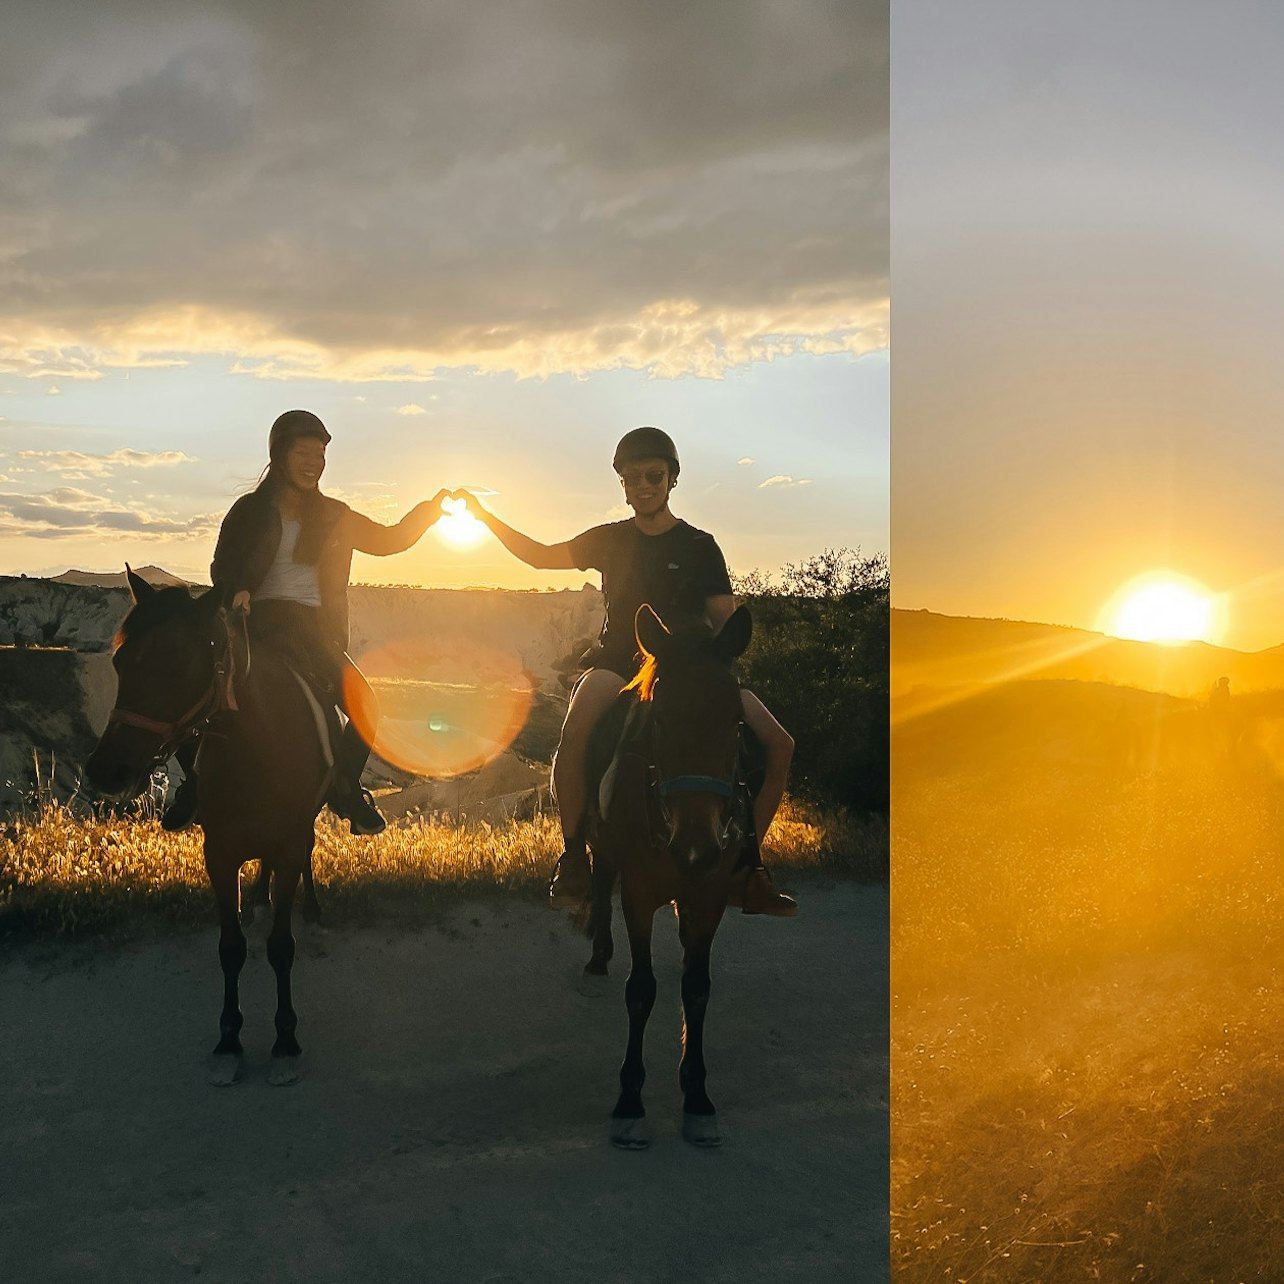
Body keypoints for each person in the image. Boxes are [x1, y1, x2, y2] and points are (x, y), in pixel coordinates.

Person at [455, 426, 797, 916]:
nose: (643, 485)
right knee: (573, 738)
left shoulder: (701, 546)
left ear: (672, 478)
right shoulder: (608, 540)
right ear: (622, 484)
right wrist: (484, 518)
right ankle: (574, 857)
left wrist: (721, 653)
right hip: (619, 666)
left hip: (689, 671)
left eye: (653, 475)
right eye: (631, 477)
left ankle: (748, 865)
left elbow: (724, 617)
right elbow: (539, 556)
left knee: (780, 744)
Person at [163, 409, 448, 835]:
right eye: (304, 452)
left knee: (367, 706)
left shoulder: (336, 515)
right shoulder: (248, 511)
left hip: (313, 630)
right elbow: (222, 564)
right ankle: (196, 784)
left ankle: (346, 788)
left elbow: (389, 541)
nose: (314, 462)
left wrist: (430, 512)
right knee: (186, 690)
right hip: (253, 621)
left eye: (321, 454)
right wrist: (236, 588)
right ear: (279, 455)